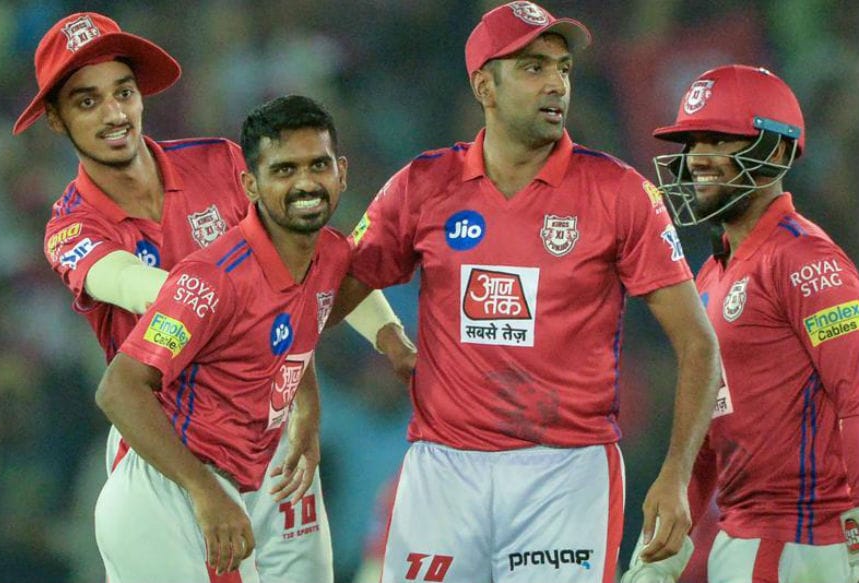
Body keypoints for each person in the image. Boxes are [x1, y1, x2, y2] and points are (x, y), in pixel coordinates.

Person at [330, 2, 721, 582]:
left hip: (565, 475)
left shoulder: (619, 194)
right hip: (444, 471)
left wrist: (676, 475)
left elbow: (698, 344)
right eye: (533, 67)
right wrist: (383, 340)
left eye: (563, 68)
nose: (556, 84)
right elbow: (331, 294)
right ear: (484, 86)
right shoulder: (422, 185)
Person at [16, 12, 411, 582]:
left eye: (123, 92)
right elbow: (131, 284)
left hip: (270, 430)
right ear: (56, 118)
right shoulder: (71, 228)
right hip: (173, 445)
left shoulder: (220, 163)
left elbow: (316, 262)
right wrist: (231, 295)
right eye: (87, 101)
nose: (113, 114)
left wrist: (381, 338)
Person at [93, 93, 356, 581]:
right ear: (250, 185)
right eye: (284, 170)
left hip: (225, 491)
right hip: (170, 498)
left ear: (341, 172)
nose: (305, 183)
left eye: (318, 165)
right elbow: (118, 388)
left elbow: (292, 329)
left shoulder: (331, 257)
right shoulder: (213, 278)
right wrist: (203, 490)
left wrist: (309, 410)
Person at [627, 64, 859, 583]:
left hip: (799, 542)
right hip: (749, 539)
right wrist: (655, 561)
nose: (696, 158)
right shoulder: (711, 275)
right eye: (691, 142)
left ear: (775, 152)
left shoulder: (804, 260)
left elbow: (857, 393)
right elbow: (706, 442)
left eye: (717, 139)